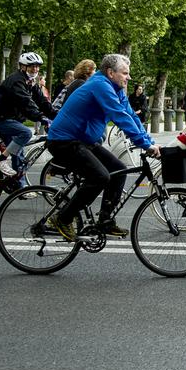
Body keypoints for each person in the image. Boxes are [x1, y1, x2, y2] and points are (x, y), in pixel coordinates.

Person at [46, 54, 157, 240]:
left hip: (83, 140)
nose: (128, 77)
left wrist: (149, 141)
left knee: (119, 170)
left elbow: (130, 115)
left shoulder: (116, 88)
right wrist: (144, 144)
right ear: (110, 72)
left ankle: (105, 220)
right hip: (64, 140)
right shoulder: (100, 85)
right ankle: (62, 219)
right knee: (100, 177)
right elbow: (118, 116)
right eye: (125, 73)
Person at [0, 51, 53, 179]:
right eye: (32, 66)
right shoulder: (17, 81)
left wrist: (58, 115)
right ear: (23, 67)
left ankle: (17, 187)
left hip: (10, 118)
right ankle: (0, 159)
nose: (35, 69)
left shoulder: (30, 82)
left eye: (37, 66)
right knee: (26, 133)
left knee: (17, 152)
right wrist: (42, 118)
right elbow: (26, 103)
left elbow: (43, 103)